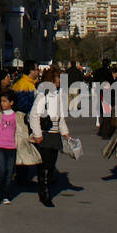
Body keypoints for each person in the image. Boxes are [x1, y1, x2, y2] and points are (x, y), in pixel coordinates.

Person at [28, 67, 71, 207]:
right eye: (58, 78)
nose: (60, 81)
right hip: (45, 135)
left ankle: (45, 189)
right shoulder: (43, 95)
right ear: (52, 79)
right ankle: (44, 194)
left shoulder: (59, 95)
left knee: (51, 165)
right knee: (44, 166)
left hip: (55, 135)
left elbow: (61, 117)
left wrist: (65, 132)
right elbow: (34, 116)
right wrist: (38, 134)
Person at [0, 90, 18, 204]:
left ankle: (6, 195)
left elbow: (20, 132)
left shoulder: (16, 116)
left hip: (12, 147)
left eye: (5, 101)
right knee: (1, 170)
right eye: (1, 101)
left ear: (11, 102)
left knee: (10, 172)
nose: (2, 103)